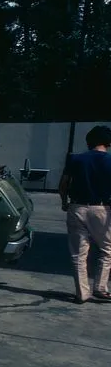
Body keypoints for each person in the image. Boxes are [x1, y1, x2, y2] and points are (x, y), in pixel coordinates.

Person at [58, 124, 111, 304]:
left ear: (89, 141)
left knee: (79, 254)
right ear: (108, 143)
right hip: (102, 209)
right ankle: (101, 288)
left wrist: (64, 202)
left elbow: (63, 184)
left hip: (77, 207)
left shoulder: (75, 159)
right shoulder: (109, 161)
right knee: (107, 250)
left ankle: (82, 293)